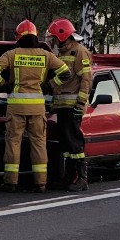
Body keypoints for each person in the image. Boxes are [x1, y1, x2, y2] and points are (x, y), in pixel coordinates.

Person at [0, 19, 71, 193]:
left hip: (16, 107)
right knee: (39, 143)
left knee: (13, 143)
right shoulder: (45, 55)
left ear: (19, 36)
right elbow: (65, 73)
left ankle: (11, 182)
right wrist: (50, 86)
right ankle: (41, 182)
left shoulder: (12, 54)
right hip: (37, 108)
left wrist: (3, 85)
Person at [46, 18, 93, 191]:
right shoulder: (62, 53)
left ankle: (82, 179)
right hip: (62, 105)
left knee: (74, 143)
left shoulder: (79, 52)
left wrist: (80, 104)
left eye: (54, 38)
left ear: (63, 36)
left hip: (73, 105)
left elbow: (86, 80)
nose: (53, 41)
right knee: (65, 144)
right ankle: (69, 177)